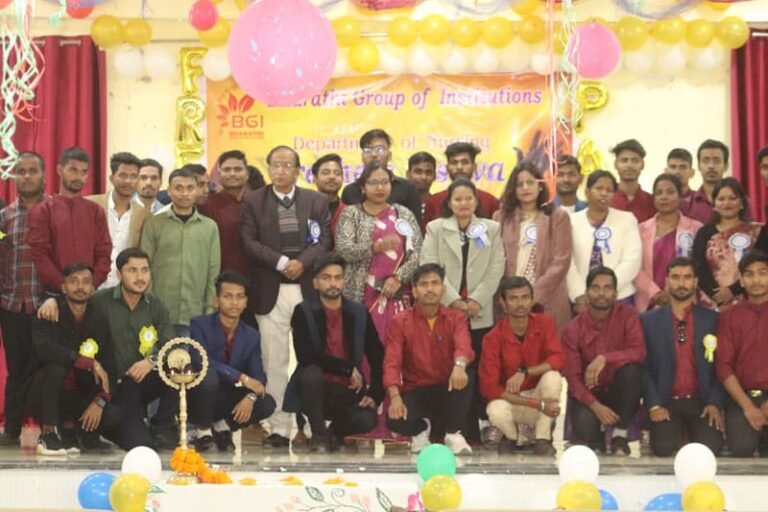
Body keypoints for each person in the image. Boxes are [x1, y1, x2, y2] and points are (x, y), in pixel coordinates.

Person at [240, 145, 331, 448]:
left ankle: (310, 426)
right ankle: (278, 426)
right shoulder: (253, 200)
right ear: (268, 168)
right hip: (270, 289)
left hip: (306, 288)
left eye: (287, 165)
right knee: (274, 360)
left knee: (311, 359)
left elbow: (323, 240)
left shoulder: (315, 201)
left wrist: (301, 263)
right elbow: (248, 242)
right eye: (275, 165)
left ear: (297, 170)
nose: (280, 171)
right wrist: (281, 263)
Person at [335, 161, 421, 439]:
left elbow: (417, 255)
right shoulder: (351, 214)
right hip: (361, 299)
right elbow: (344, 250)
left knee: (395, 356)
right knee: (362, 356)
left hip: (396, 299)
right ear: (362, 187)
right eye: (373, 182)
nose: (380, 187)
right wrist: (375, 247)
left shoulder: (403, 214)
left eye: (385, 182)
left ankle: (396, 427)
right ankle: (362, 425)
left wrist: (400, 278)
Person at [421, 178, 505, 441]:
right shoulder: (436, 228)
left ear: (476, 201)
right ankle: (446, 428)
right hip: (446, 309)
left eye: (468, 198)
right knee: (447, 368)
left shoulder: (491, 228)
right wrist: (454, 301)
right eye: (458, 199)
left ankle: (474, 430)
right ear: (449, 202)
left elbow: (496, 267)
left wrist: (476, 300)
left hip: (480, 312)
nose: (464, 203)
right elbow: (429, 265)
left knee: (477, 370)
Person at [285, 255, 384, 451]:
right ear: (315, 282)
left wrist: (375, 394)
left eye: (338, 277)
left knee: (367, 419)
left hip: (348, 390)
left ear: (344, 281)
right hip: (315, 390)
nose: (333, 283)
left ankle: (335, 433)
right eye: (326, 278)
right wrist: (347, 368)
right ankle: (319, 436)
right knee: (311, 373)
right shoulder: (303, 311)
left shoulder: (359, 312)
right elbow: (306, 355)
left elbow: (377, 355)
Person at [26, 263, 121, 455]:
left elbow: (109, 366)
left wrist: (100, 401)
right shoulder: (49, 311)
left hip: (78, 395)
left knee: (113, 416)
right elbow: (44, 349)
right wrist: (85, 361)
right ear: (63, 287)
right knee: (56, 367)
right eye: (73, 281)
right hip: (44, 392)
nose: (80, 287)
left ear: (93, 288)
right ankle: (49, 432)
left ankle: (74, 431)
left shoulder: (99, 318)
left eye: (86, 282)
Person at [89, 248, 178, 450]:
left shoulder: (155, 305)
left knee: (177, 368)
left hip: (143, 381)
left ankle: (162, 427)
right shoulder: (100, 302)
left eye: (145, 270)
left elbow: (172, 343)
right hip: (113, 385)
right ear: (119, 274)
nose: (140, 277)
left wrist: (151, 361)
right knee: (141, 446)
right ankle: (115, 428)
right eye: (132, 270)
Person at [384, 264, 475, 455]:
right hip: (417, 390)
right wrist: (395, 397)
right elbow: (392, 362)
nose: (430, 289)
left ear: (443, 289)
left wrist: (459, 365)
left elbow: (464, 346)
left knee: (468, 374)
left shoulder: (456, 318)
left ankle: (453, 433)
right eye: (424, 284)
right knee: (394, 419)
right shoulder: (400, 321)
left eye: (435, 283)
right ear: (414, 291)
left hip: (448, 388)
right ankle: (421, 431)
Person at [640, 257, 724, 457]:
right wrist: (654, 404)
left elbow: (722, 366)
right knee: (663, 448)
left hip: (701, 402)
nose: (681, 283)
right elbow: (643, 368)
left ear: (695, 281)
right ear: (667, 281)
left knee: (711, 448)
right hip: (666, 401)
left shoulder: (712, 319)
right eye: (676, 277)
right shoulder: (648, 321)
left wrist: (714, 402)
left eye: (687, 277)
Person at [189, 271, 276, 452]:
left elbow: (258, 376)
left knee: (266, 402)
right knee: (209, 376)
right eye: (228, 296)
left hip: (228, 398)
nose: (234, 302)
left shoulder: (251, 335)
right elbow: (201, 361)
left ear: (246, 302)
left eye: (240, 297)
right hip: (201, 396)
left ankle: (222, 428)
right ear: (216, 300)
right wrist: (241, 377)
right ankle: (203, 432)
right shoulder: (199, 324)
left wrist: (250, 397)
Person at [562, 266, 645, 455]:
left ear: (615, 294)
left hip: (619, 390)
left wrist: (605, 358)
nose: (601, 293)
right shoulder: (573, 329)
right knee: (585, 429)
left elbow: (639, 352)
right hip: (589, 394)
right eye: (596, 288)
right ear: (586, 293)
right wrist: (595, 406)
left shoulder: (628, 316)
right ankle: (596, 434)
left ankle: (619, 434)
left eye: (607, 288)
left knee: (632, 373)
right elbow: (573, 378)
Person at [479, 277, 565, 455]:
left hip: (538, 395)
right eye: (513, 298)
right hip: (513, 401)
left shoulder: (545, 323)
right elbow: (489, 387)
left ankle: (542, 438)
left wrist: (525, 372)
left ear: (532, 300)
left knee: (553, 377)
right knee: (495, 409)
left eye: (525, 297)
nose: (520, 304)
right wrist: (536, 404)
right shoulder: (492, 338)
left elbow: (558, 358)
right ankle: (513, 438)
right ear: (503, 304)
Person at [0, 152, 51, 447]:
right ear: (14, 177)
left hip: (46, 305)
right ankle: (11, 428)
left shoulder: (55, 211)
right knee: (16, 370)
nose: (27, 176)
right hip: (11, 304)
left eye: (33, 170)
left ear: (44, 175)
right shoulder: (5, 216)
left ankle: (48, 428)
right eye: (21, 171)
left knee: (46, 369)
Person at [141, 167, 220, 337]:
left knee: (191, 355)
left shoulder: (209, 227)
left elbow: (213, 272)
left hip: (196, 314)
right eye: (178, 188)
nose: (184, 194)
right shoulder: (154, 224)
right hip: (160, 313)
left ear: (197, 191)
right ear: (169, 191)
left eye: (190, 188)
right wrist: (148, 306)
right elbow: (145, 267)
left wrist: (209, 310)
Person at [496, 161, 572, 332]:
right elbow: (495, 260)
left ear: (540, 186)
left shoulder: (557, 217)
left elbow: (561, 261)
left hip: (547, 298)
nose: (525, 188)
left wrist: (531, 297)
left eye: (530, 182)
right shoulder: (501, 218)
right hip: (509, 300)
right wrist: (511, 296)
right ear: (513, 190)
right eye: (519, 184)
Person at [26, 146, 112, 290]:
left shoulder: (96, 211)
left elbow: (104, 253)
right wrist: (63, 284)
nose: (78, 177)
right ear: (60, 170)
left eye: (83, 172)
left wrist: (92, 283)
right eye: (73, 170)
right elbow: (39, 254)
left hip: (89, 293)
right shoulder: (42, 211)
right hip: (55, 294)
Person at [715, 250, 768, 457]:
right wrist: (748, 407)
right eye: (749, 274)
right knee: (741, 448)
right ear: (742, 281)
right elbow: (723, 366)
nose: (756, 280)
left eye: (763, 273)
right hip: (742, 396)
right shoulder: (730, 317)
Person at [567, 170, 642, 310]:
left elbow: (632, 259)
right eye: (599, 188)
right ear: (587, 192)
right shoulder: (571, 221)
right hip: (583, 298)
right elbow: (568, 262)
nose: (604, 193)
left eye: (609, 190)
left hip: (619, 295)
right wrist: (580, 294)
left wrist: (607, 289)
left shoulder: (627, 220)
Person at [634, 174, 702, 312]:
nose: (664, 197)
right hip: (649, 302)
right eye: (659, 193)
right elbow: (634, 267)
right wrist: (655, 292)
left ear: (680, 196)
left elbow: (701, 267)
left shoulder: (695, 229)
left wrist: (675, 291)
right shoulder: (640, 230)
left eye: (670, 192)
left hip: (686, 301)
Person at [692, 178, 762, 310]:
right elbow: (698, 267)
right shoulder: (704, 232)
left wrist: (732, 291)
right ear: (714, 204)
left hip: (750, 299)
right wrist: (718, 297)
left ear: (742, 203)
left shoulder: (757, 232)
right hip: (712, 303)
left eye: (732, 198)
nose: (727, 203)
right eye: (721, 199)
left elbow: (763, 266)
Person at [87, 152, 149, 289]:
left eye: (133, 176)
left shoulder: (143, 215)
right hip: (89, 286)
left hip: (123, 289)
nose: (128, 181)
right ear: (111, 178)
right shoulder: (90, 205)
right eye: (123, 175)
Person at [340, 129, 422, 223]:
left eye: (380, 149)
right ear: (362, 156)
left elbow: (415, 227)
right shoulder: (350, 191)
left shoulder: (408, 188)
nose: (374, 154)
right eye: (367, 150)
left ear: (389, 155)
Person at [422, 142, 500, 228]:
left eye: (465, 162)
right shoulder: (433, 202)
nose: (459, 167)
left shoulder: (491, 202)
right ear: (447, 168)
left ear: (474, 167)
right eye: (454, 163)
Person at [200, 150, 250, 277]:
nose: (232, 174)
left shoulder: (257, 204)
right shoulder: (207, 205)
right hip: (221, 276)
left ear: (247, 174)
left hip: (256, 276)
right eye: (227, 170)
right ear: (218, 174)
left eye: (238, 169)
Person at [683, 139, 729, 224]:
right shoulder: (687, 205)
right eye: (705, 161)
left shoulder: (739, 203)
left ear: (726, 166)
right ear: (699, 166)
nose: (711, 166)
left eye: (716, 161)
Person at [609, 139, 656, 223]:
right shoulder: (607, 199)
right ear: (615, 164)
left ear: (643, 164)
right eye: (624, 160)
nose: (629, 165)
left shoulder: (652, 202)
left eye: (635, 161)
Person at [311, 153, 344, 218]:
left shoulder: (350, 212)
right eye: (326, 173)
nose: (332, 177)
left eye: (337, 173)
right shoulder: (304, 209)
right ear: (314, 179)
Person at [405, 151, 437, 219]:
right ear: (408, 174)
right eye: (418, 172)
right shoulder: (400, 206)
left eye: (428, 172)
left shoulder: (438, 206)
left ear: (435, 176)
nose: (423, 177)